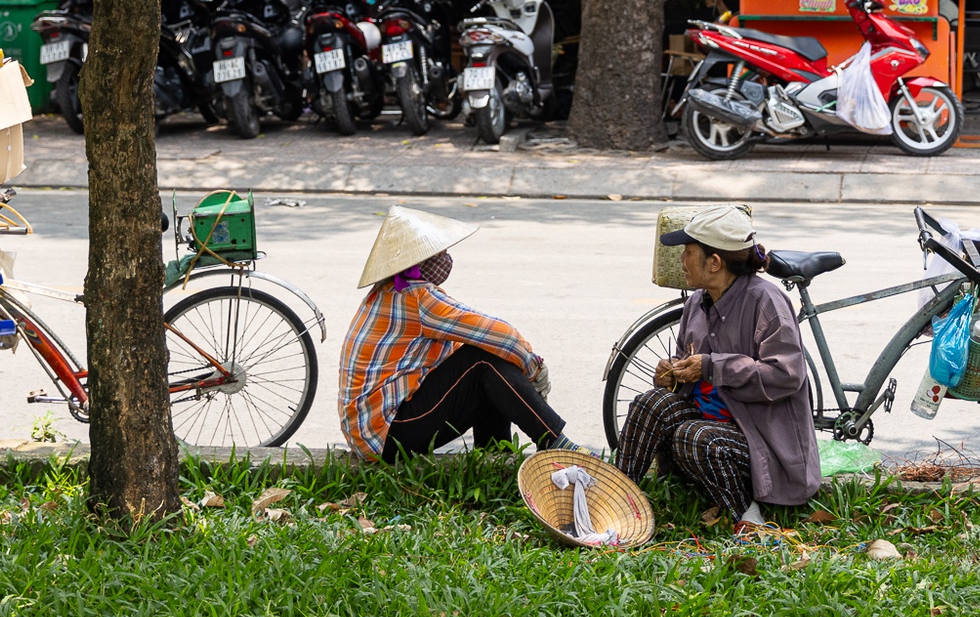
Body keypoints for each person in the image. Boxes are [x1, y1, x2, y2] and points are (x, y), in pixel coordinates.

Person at [616, 206, 819, 533]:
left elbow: (786, 375)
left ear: (714, 262)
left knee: (693, 435)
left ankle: (748, 517)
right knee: (648, 403)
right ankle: (614, 499)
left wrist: (713, 366)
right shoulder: (697, 302)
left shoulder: (766, 301)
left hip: (758, 442)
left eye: (688, 251)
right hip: (706, 431)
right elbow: (687, 366)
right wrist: (672, 374)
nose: (681, 259)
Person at [339, 206, 583, 461]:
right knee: (484, 359)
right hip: (385, 435)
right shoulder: (416, 298)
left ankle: (495, 458)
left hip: (373, 431)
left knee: (486, 362)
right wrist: (533, 367)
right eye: (440, 254)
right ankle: (558, 444)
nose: (446, 259)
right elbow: (498, 334)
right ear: (421, 260)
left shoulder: (391, 291)